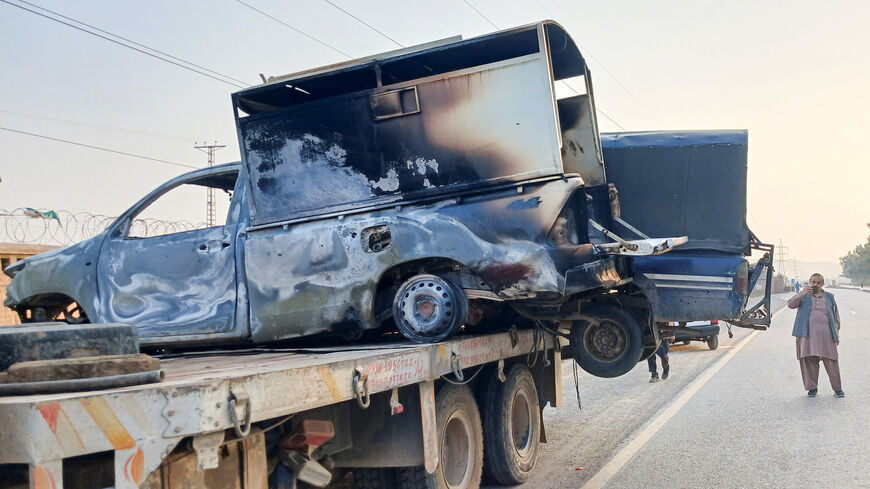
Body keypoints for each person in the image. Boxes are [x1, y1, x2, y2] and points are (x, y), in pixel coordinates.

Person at [787, 273, 843, 397]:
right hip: (807, 336)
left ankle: (837, 389)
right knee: (809, 361)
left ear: (822, 284)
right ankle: (812, 388)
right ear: (810, 282)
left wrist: (836, 335)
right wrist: (802, 294)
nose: (815, 284)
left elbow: (836, 317)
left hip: (827, 336)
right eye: (813, 282)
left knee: (832, 361)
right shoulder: (803, 296)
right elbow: (790, 305)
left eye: (818, 282)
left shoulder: (829, 297)